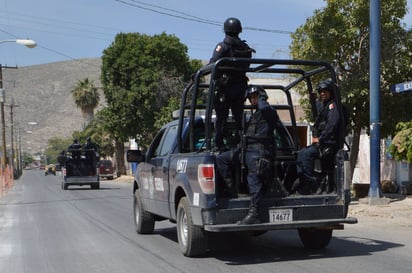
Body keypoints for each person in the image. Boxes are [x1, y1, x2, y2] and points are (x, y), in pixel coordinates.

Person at [217, 85, 283, 225]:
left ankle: (254, 213)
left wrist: (262, 98)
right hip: (245, 150)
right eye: (251, 98)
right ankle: (232, 191)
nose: (253, 100)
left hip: (258, 152)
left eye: (256, 96)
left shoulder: (268, 111)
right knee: (222, 159)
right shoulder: (255, 114)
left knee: (253, 180)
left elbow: (264, 108)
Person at [209, 17, 255, 151]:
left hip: (225, 88)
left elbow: (213, 64)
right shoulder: (246, 48)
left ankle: (219, 145)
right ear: (239, 30)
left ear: (225, 29)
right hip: (240, 88)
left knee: (221, 118)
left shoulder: (222, 46)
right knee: (239, 117)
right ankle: (242, 142)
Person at [296, 79, 341, 194]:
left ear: (331, 92)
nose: (322, 94)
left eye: (325, 92)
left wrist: (320, 138)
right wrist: (312, 98)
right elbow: (317, 111)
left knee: (306, 154)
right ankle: (304, 183)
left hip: (328, 144)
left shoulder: (333, 106)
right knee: (300, 154)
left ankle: (312, 184)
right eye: (321, 92)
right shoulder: (324, 107)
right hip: (322, 143)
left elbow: (332, 125)